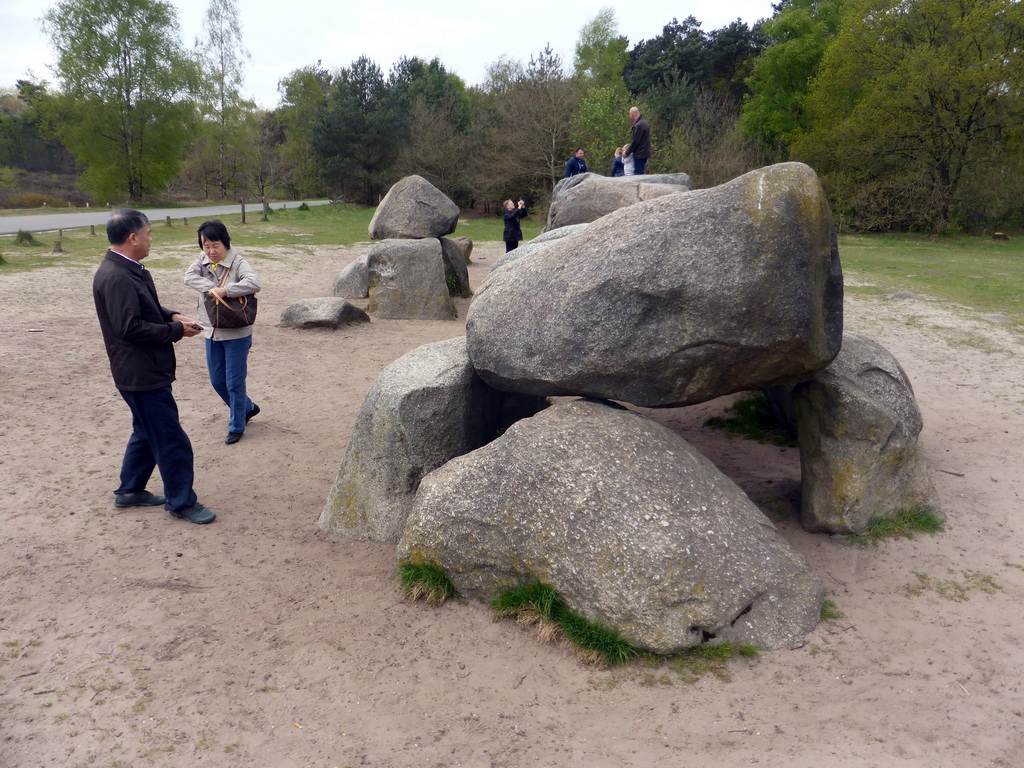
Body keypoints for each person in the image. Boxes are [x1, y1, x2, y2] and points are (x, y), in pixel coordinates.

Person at [93, 209, 216, 525]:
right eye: (148, 234)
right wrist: (176, 332)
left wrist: (171, 316)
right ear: (132, 238)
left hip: (141, 370)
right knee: (170, 438)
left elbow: (145, 307)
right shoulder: (116, 276)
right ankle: (181, 502)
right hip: (140, 373)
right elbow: (130, 327)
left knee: (145, 431)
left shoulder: (129, 269)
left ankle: (130, 490)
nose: (150, 240)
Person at [184, 220, 262, 445]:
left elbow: (255, 282)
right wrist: (210, 288)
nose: (211, 251)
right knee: (217, 380)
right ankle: (248, 408)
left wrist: (226, 290)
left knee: (234, 383)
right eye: (206, 246)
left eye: (215, 245)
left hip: (237, 332)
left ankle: (237, 425)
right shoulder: (203, 260)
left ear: (225, 243)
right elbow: (188, 277)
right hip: (211, 331)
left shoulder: (238, 262)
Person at [625, 107, 651, 175]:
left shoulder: (639, 125)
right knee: (641, 171)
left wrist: (627, 152)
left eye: (630, 115)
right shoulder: (644, 123)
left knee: (638, 174)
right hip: (644, 152)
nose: (630, 117)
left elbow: (635, 142)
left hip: (640, 154)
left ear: (633, 115)